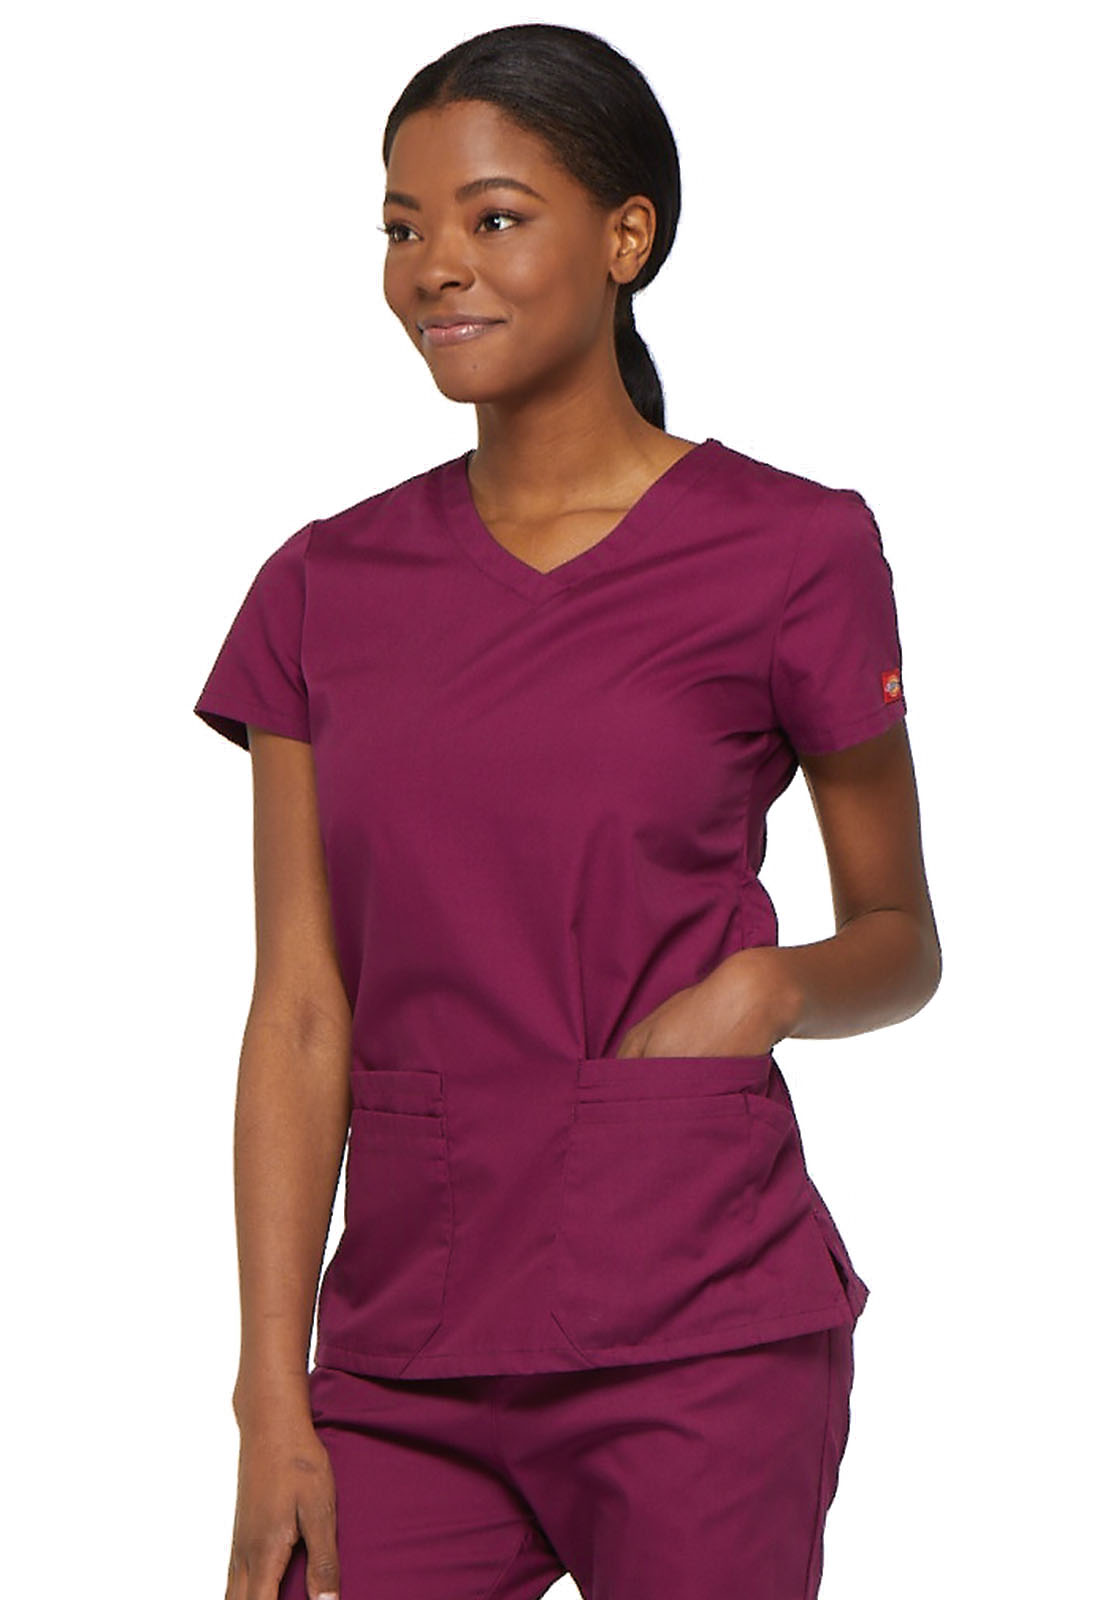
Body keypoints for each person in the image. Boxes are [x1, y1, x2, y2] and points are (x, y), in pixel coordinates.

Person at [195, 22, 941, 1600]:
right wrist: (271, 1394)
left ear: (626, 239)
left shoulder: (792, 550)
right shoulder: (322, 586)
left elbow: (902, 937)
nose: (436, 268)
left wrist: (765, 989)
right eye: (403, 228)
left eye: (494, 218)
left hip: (700, 1317)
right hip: (404, 1339)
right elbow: (302, 1010)